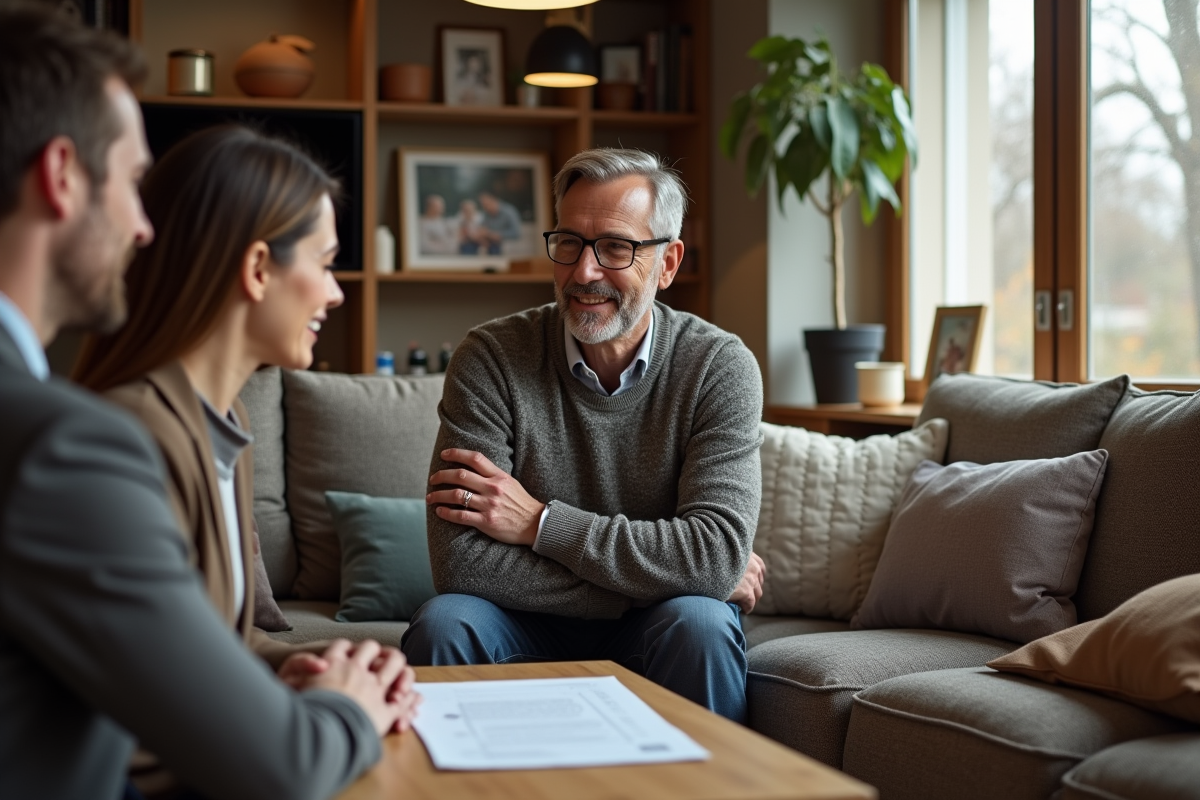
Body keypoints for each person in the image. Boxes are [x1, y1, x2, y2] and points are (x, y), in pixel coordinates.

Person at [0, 7, 416, 799]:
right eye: (130, 183)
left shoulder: (221, 427)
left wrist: (275, 685)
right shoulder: (92, 442)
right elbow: (266, 765)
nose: (143, 226)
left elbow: (141, 659)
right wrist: (342, 709)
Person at [401, 148, 766, 723]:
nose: (583, 271)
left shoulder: (719, 366)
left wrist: (541, 525)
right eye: (568, 242)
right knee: (446, 621)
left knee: (701, 621)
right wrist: (665, 580)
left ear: (668, 263)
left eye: (616, 247)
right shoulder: (491, 357)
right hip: (520, 624)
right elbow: (462, 564)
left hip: (660, 630)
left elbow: (713, 553)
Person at [476, 190, 522, 255]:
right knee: (469, 246)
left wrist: (499, 235)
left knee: (495, 248)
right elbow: (482, 228)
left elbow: (516, 233)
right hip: (490, 242)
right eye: (483, 205)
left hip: (504, 243)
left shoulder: (509, 212)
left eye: (486, 204)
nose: (485, 207)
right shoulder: (486, 214)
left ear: (494, 200)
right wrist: (481, 236)